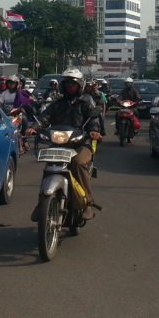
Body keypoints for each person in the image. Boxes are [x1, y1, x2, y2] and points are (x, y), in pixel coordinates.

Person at [39, 67, 101, 219]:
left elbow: (93, 120)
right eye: (67, 84)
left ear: (79, 85)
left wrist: (94, 131)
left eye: (73, 84)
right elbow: (45, 117)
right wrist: (34, 127)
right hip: (59, 143)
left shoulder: (85, 102)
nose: (70, 87)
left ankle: (87, 203)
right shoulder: (57, 102)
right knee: (49, 166)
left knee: (78, 163)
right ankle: (41, 203)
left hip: (81, 144)